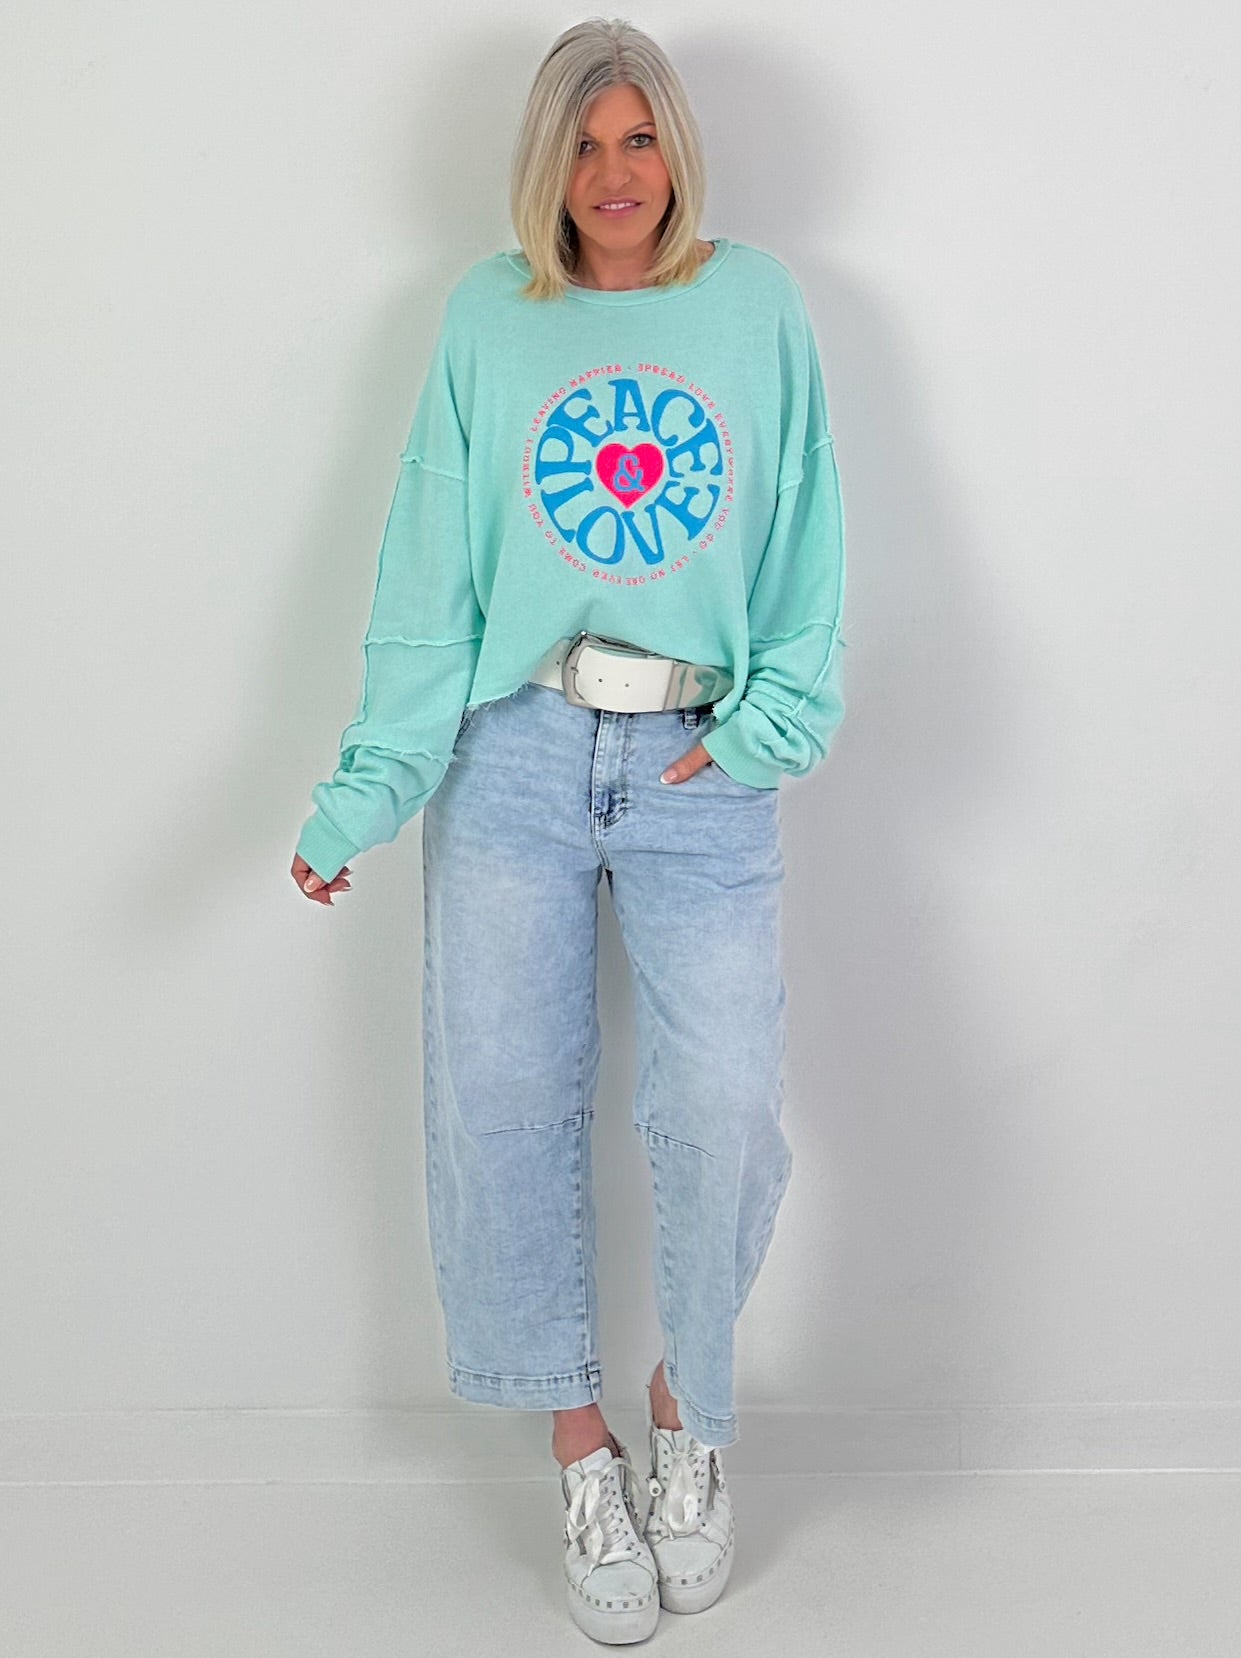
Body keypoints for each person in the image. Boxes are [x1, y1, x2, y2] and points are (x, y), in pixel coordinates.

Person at [290, 17, 848, 1646]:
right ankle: (580, 1446)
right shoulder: (491, 315)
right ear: (548, 163)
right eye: (587, 144)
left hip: (699, 756)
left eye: (641, 137)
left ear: (679, 150)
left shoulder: (755, 307)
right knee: (503, 1101)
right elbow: (428, 574)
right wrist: (368, 786)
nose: (617, 173)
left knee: (725, 1100)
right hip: (515, 752)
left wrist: (766, 728)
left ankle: (689, 1403)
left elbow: (808, 529)